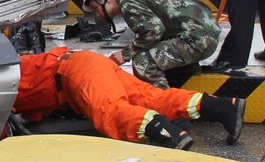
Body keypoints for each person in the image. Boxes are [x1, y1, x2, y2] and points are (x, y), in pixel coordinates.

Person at [13, 46, 246, 149]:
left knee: (111, 111)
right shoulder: (8, 67)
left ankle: (167, 134)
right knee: (151, 97)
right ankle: (222, 107)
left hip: (73, 73)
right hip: (87, 62)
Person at [78, 0, 221, 87]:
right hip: (202, 34)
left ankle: (166, 109)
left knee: (143, 61)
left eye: (95, 7)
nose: (97, 14)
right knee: (155, 51)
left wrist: (125, 54)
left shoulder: (128, 3)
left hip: (198, 39)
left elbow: (154, 31)